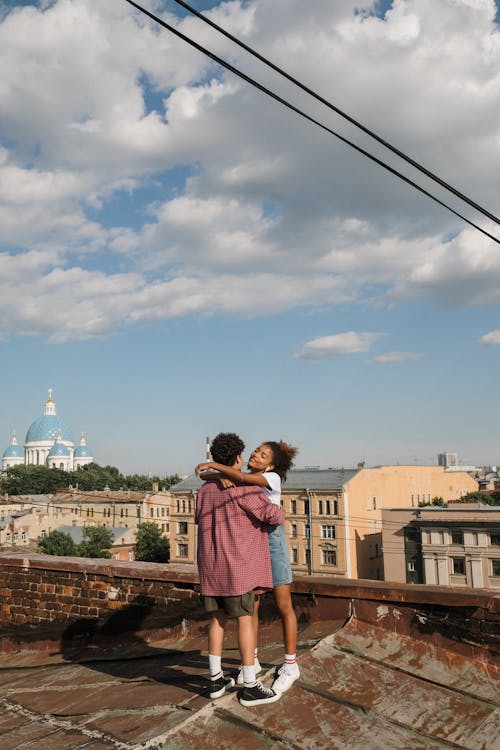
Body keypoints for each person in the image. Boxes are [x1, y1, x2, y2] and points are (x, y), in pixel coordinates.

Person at [195, 439, 300, 694]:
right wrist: (220, 474)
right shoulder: (239, 480)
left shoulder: (270, 478)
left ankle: (290, 664)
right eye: (256, 451)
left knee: (283, 604)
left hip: (272, 541)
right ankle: (250, 664)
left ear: (271, 465)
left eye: (263, 455)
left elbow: (227, 476)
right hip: (253, 543)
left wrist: (217, 469)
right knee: (250, 608)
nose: (256, 455)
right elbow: (211, 476)